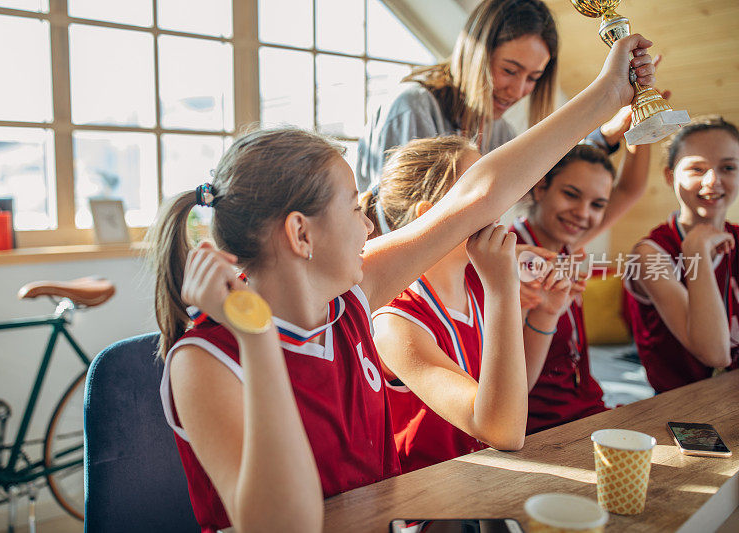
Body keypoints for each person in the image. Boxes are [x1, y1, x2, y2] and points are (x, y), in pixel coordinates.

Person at [148, 33, 654, 532]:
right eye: (352, 207)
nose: (369, 226)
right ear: (301, 233)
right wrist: (257, 342)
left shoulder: (348, 303)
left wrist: (608, 94)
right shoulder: (205, 361)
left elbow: (478, 194)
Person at [362, 136, 553, 472]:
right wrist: (503, 288)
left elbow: (512, 394)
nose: (499, 202)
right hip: (428, 507)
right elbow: (503, 431)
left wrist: (547, 313)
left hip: (481, 482)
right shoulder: (395, 321)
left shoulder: (476, 286)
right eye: (481, 194)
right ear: (431, 216)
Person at [356, 0, 630, 192]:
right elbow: (400, 224)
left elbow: (543, 177)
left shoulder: (498, 130)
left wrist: (605, 136)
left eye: (533, 78)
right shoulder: (413, 108)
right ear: (476, 56)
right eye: (509, 70)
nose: (519, 91)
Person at [513, 122, 654, 433]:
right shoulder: (509, 253)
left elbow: (631, 189)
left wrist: (643, 119)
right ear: (540, 187)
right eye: (571, 194)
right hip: (538, 425)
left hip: (585, 408)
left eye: (597, 205)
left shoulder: (566, 244)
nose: (582, 213)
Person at [624, 116, 739, 394]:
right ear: (669, 176)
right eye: (697, 169)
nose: (713, 181)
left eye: (728, 167)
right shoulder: (649, 254)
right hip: (680, 407)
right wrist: (696, 252)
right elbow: (714, 354)